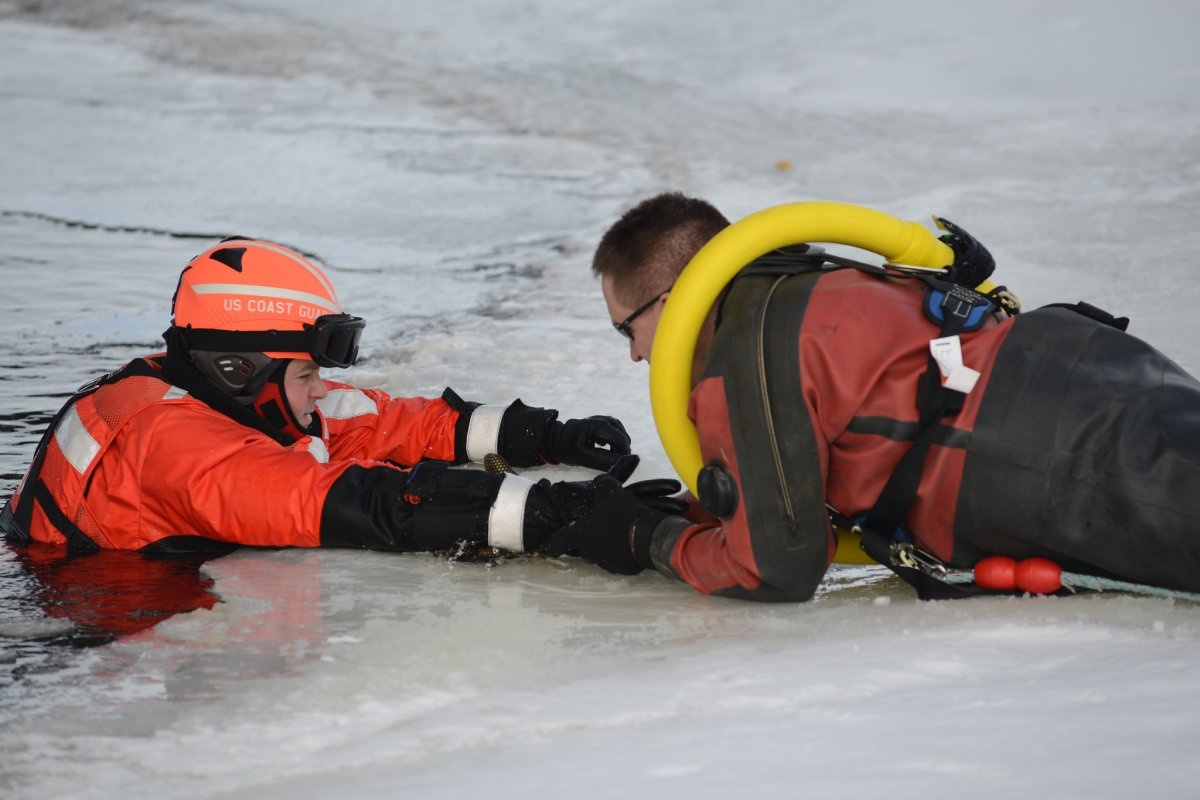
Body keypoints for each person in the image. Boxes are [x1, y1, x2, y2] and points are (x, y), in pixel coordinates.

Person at [547, 191, 1200, 602]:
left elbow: (775, 565)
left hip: (1043, 456)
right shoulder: (819, 275)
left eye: (626, 328)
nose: (634, 354)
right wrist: (695, 509)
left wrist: (644, 537)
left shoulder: (739, 357)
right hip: (1085, 360)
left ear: (673, 297)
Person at [0, 236, 678, 558]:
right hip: (105, 625)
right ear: (240, 368)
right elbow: (354, 506)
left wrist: (537, 436)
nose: (321, 388)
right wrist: (556, 514)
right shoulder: (171, 444)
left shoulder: (213, 388)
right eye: (304, 375)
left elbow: (374, 422)